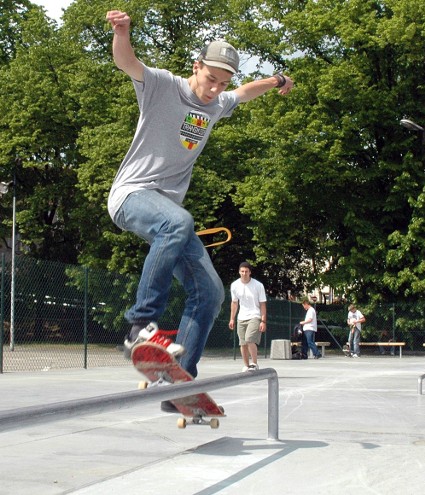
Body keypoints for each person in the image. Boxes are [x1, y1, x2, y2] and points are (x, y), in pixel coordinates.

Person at [105, 9, 293, 402]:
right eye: (210, 79)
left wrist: (276, 80)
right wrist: (122, 33)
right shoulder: (162, 85)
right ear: (196, 67)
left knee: (210, 292)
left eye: (221, 83)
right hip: (131, 195)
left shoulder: (217, 103)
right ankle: (140, 324)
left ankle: (181, 381)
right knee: (179, 222)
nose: (213, 89)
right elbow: (127, 62)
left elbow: (244, 92)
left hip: (168, 216)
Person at [229, 262, 267, 371]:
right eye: (242, 271)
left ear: (250, 272)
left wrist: (263, 321)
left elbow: (262, 304)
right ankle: (246, 365)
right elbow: (234, 303)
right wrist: (232, 318)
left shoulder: (258, 285)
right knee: (243, 343)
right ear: (239, 272)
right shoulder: (234, 285)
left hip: (255, 315)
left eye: (246, 271)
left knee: (250, 339)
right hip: (241, 317)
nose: (244, 273)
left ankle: (254, 363)